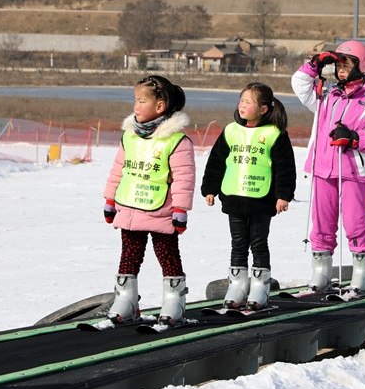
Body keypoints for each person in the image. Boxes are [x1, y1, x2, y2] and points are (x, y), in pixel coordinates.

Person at [292, 40, 365, 294]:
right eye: (337, 63)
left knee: (356, 222)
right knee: (321, 223)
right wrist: (314, 65)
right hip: (323, 168)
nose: (341, 68)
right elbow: (299, 84)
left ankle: (360, 272)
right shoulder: (327, 94)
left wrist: (355, 138)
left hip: (353, 171)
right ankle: (321, 273)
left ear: (361, 65)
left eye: (347, 62)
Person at [103, 75, 195, 327]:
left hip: (161, 211)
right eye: (135, 100)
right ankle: (126, 299)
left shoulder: (176, 140)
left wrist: (180, 209)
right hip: (130, 207)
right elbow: (119, 169)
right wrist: (110, 199)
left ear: (160, 106)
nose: (135, 106)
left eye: (141, 101)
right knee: (129, 254)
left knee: (167, 254)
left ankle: (174, 299)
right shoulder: (130, 136)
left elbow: (184, 178)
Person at [201, 82, 296, 310]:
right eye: (241, 100)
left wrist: (283, 195)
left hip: (261, 200)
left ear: (263, 109)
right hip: (234, 197)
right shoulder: (231, 130)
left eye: (248, 102)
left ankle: (260, 285)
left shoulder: (274, 134)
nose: (242, 105)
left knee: (258, 242)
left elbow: (285, 167)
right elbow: (216, 161)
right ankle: (237, 284)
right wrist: (210, 188)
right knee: (238, 243)